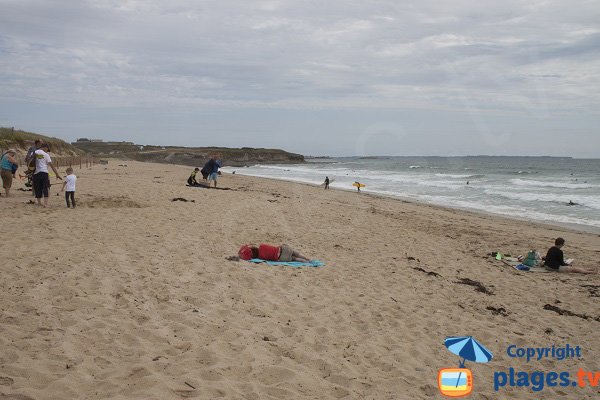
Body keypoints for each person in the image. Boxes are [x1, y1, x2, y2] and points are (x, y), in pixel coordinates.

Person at [33, 143, 62, 207]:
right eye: (47, 149)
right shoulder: (46, 155)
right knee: (45, 187)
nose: (47, 151)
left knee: (38, 188)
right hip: (44, 172)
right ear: (45, 147)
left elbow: (29, 161)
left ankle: (39, 203)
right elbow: (51, 165)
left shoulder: (34, 152)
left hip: (36, 173)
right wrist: (57, 174)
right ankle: (45, 204)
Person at [238, 244, 311, 263]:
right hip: (283, 249)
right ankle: (307, 258)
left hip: (281, 257)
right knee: (296, 253)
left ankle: (305, 262)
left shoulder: (260, 257)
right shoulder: (262, 246)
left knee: (294, 259)